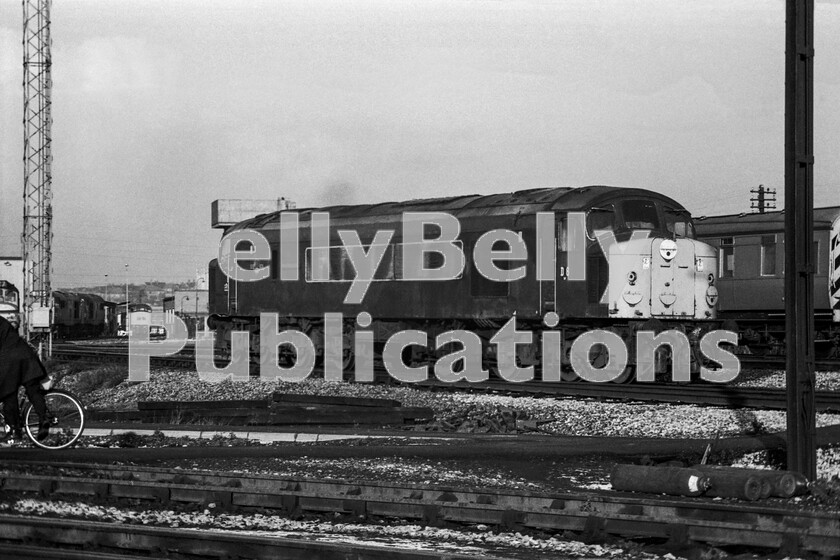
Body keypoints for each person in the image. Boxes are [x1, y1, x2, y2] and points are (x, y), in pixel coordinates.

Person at [0, 315, 50, 445]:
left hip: (11, 361)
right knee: (33, 390)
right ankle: (44, 418)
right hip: (27, 356)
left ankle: (14, 432)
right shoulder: (2, 322)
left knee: (8, 394)